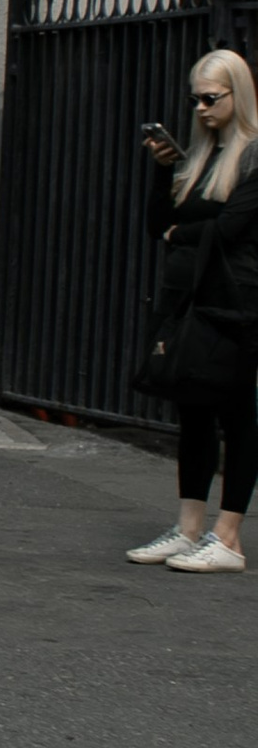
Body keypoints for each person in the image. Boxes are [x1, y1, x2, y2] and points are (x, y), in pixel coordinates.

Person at [128, 48, 258, 573]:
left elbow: (229, 229)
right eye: (194, 100)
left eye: (211, 98)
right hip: (190, 300)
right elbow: (156, 224)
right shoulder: (202, 156)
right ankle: (188, 529)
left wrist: (178, 234)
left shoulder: (252, 155)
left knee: (237, 414)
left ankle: (228, 539)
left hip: (236, 304)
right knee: (193, 409)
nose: (201, 109)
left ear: (237, 95)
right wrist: (164, 172)